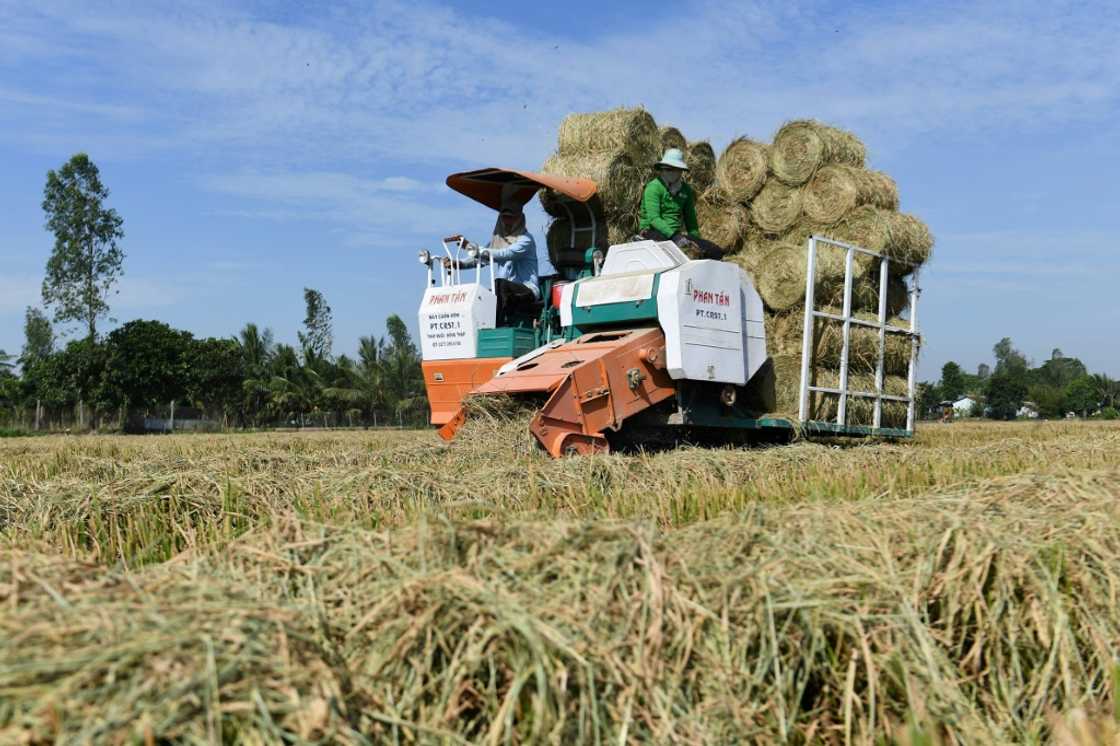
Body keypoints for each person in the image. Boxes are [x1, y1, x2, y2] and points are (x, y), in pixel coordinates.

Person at [448, 206, 540, 321]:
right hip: (505, 291)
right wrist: (459, 264)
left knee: (499, 284)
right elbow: (483, 258)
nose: (506, 222)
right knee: (480, 295)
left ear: (519, 220)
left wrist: (469, 246)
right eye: (504, 218)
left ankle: (497, 326)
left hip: (527, 290)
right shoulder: (499, 241)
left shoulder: (526, 239)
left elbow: (504, 254)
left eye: (510, 218)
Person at [638, 148, 725, 260]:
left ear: (680, 171)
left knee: (715, 252)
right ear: (662, 169)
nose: (671, 172)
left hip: (675, 235)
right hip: (652, 232)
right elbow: (654, 219)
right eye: (667, 169)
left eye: (674, 169)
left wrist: (695, 241)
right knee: (675, 249)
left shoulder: (685, 190)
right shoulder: (654, 187)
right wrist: (675, 236)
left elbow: (691, 220)